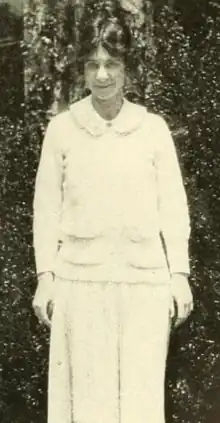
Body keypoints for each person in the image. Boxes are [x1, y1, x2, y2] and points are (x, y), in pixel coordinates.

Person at [32, 4, 193, 423]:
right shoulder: (63, 130)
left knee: (139, 403)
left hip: (144, 282)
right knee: (87, 402)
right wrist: (45, 278)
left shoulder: (153, 129)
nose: (102, 75)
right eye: (92, 65)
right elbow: (46, 209)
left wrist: (179, 275)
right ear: (81, 70)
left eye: (112, 64)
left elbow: (173, 207)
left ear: (128, 70)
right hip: (79, 281)